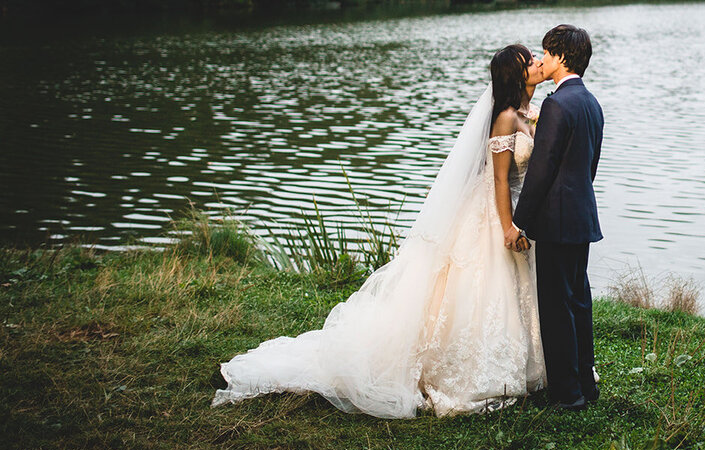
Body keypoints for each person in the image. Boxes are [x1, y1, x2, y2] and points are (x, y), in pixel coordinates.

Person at [211, 44, 547, 418]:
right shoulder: (503, 117)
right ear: (515, 76)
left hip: (516, 211)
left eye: (536, 57)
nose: (537, 62)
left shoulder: (528, 113)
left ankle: (524, 366)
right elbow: (499, 180)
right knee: (482, 289)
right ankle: (468, 373)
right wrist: (506, 227)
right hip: (493, 215)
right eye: (529, 61)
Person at [511, 25, 604, 410]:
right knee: (579, 301)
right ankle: (586, 382)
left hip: (556, 220)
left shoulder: (556, 104)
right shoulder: (591, 103)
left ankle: (567, 394)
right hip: (581, 215)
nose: (543, 59)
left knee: (555, 306)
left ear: (562, 56)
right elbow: (590, 166)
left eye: (547, 53)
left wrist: (520, 222)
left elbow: (542, 171)